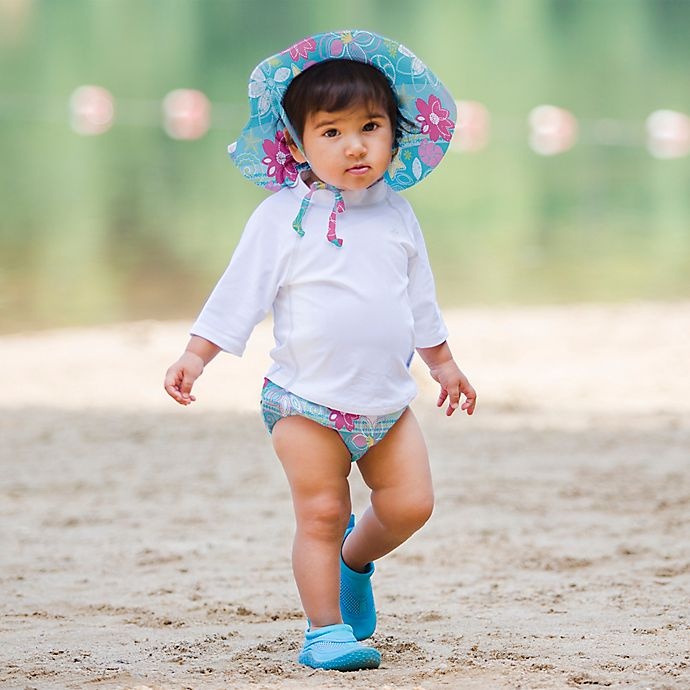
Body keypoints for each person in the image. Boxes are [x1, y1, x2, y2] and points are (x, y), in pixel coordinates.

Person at [164, 29, 477, 672]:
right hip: (305, 401)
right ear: (299, 142)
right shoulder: (283, 217)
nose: (355, 144)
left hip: (387, 404)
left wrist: (443, 363)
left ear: (397, 133)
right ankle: (324, 630)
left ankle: (353, 563)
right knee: (322, 510)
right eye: (331, 132)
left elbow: (419, 299)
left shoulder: (398, 215)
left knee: (411, 505)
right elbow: (238, 296)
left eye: (370, 126)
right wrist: (197, 355)